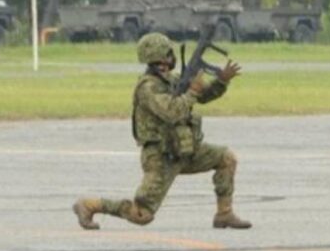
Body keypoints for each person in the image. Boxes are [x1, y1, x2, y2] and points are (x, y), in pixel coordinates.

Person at [72, 33, 250, 230]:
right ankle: (90, 205)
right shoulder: (148, 87)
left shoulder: (170, 81)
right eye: (169, 53)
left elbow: (203, 96)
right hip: (161, 157)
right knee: (142, 214)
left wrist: (221, 81)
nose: (172, 57)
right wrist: (192, 92)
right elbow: (172, 112)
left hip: (184, 149)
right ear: (161, 57)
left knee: (226, 158)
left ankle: (224, 214)